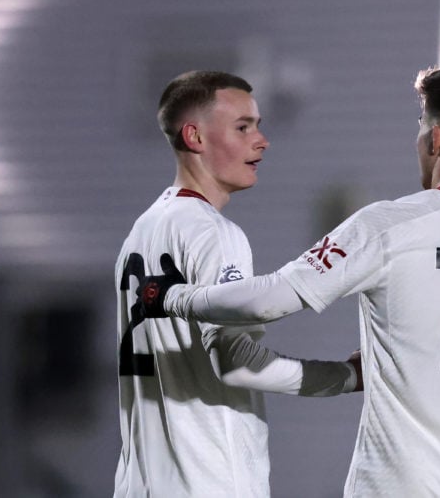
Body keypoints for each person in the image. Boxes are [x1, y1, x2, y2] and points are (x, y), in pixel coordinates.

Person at [151, 65, 440, 497]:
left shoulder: (389, 224)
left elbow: (269, 301)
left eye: (421, 126)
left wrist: (176, 297)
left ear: (436, 139)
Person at [114, 70, 360, 498]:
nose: (261, 141)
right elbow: (238, 363)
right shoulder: (213, 233)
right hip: (206, 483)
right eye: (243, 127)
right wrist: (345, 377)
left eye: (259, 126)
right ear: (195, 137)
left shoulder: (142, 231)